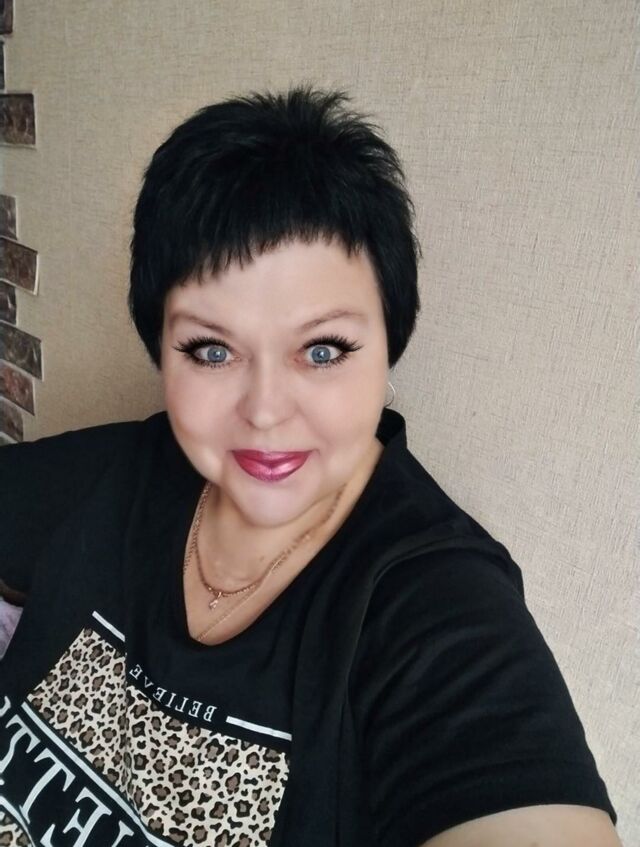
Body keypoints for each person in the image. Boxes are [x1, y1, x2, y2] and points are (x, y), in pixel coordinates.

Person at [0, 87, 621, 846]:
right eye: (211, 349)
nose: (265, 410)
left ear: (389, 344)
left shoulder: (436, 610)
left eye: (322, 350)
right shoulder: (121, 472)